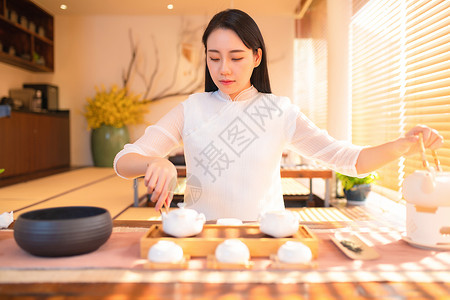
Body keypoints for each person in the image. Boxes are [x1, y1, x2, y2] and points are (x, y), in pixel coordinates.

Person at [114, 9, 443, 221]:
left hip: (267, 238)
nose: (223, 68)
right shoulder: (191, 108)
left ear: (256, 57)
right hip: (202, 236)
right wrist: (154, 162)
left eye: (236, 57)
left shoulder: (278, 110)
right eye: (214, 58)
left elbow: (349, 160)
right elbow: (124, 161)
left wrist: (405, 146)